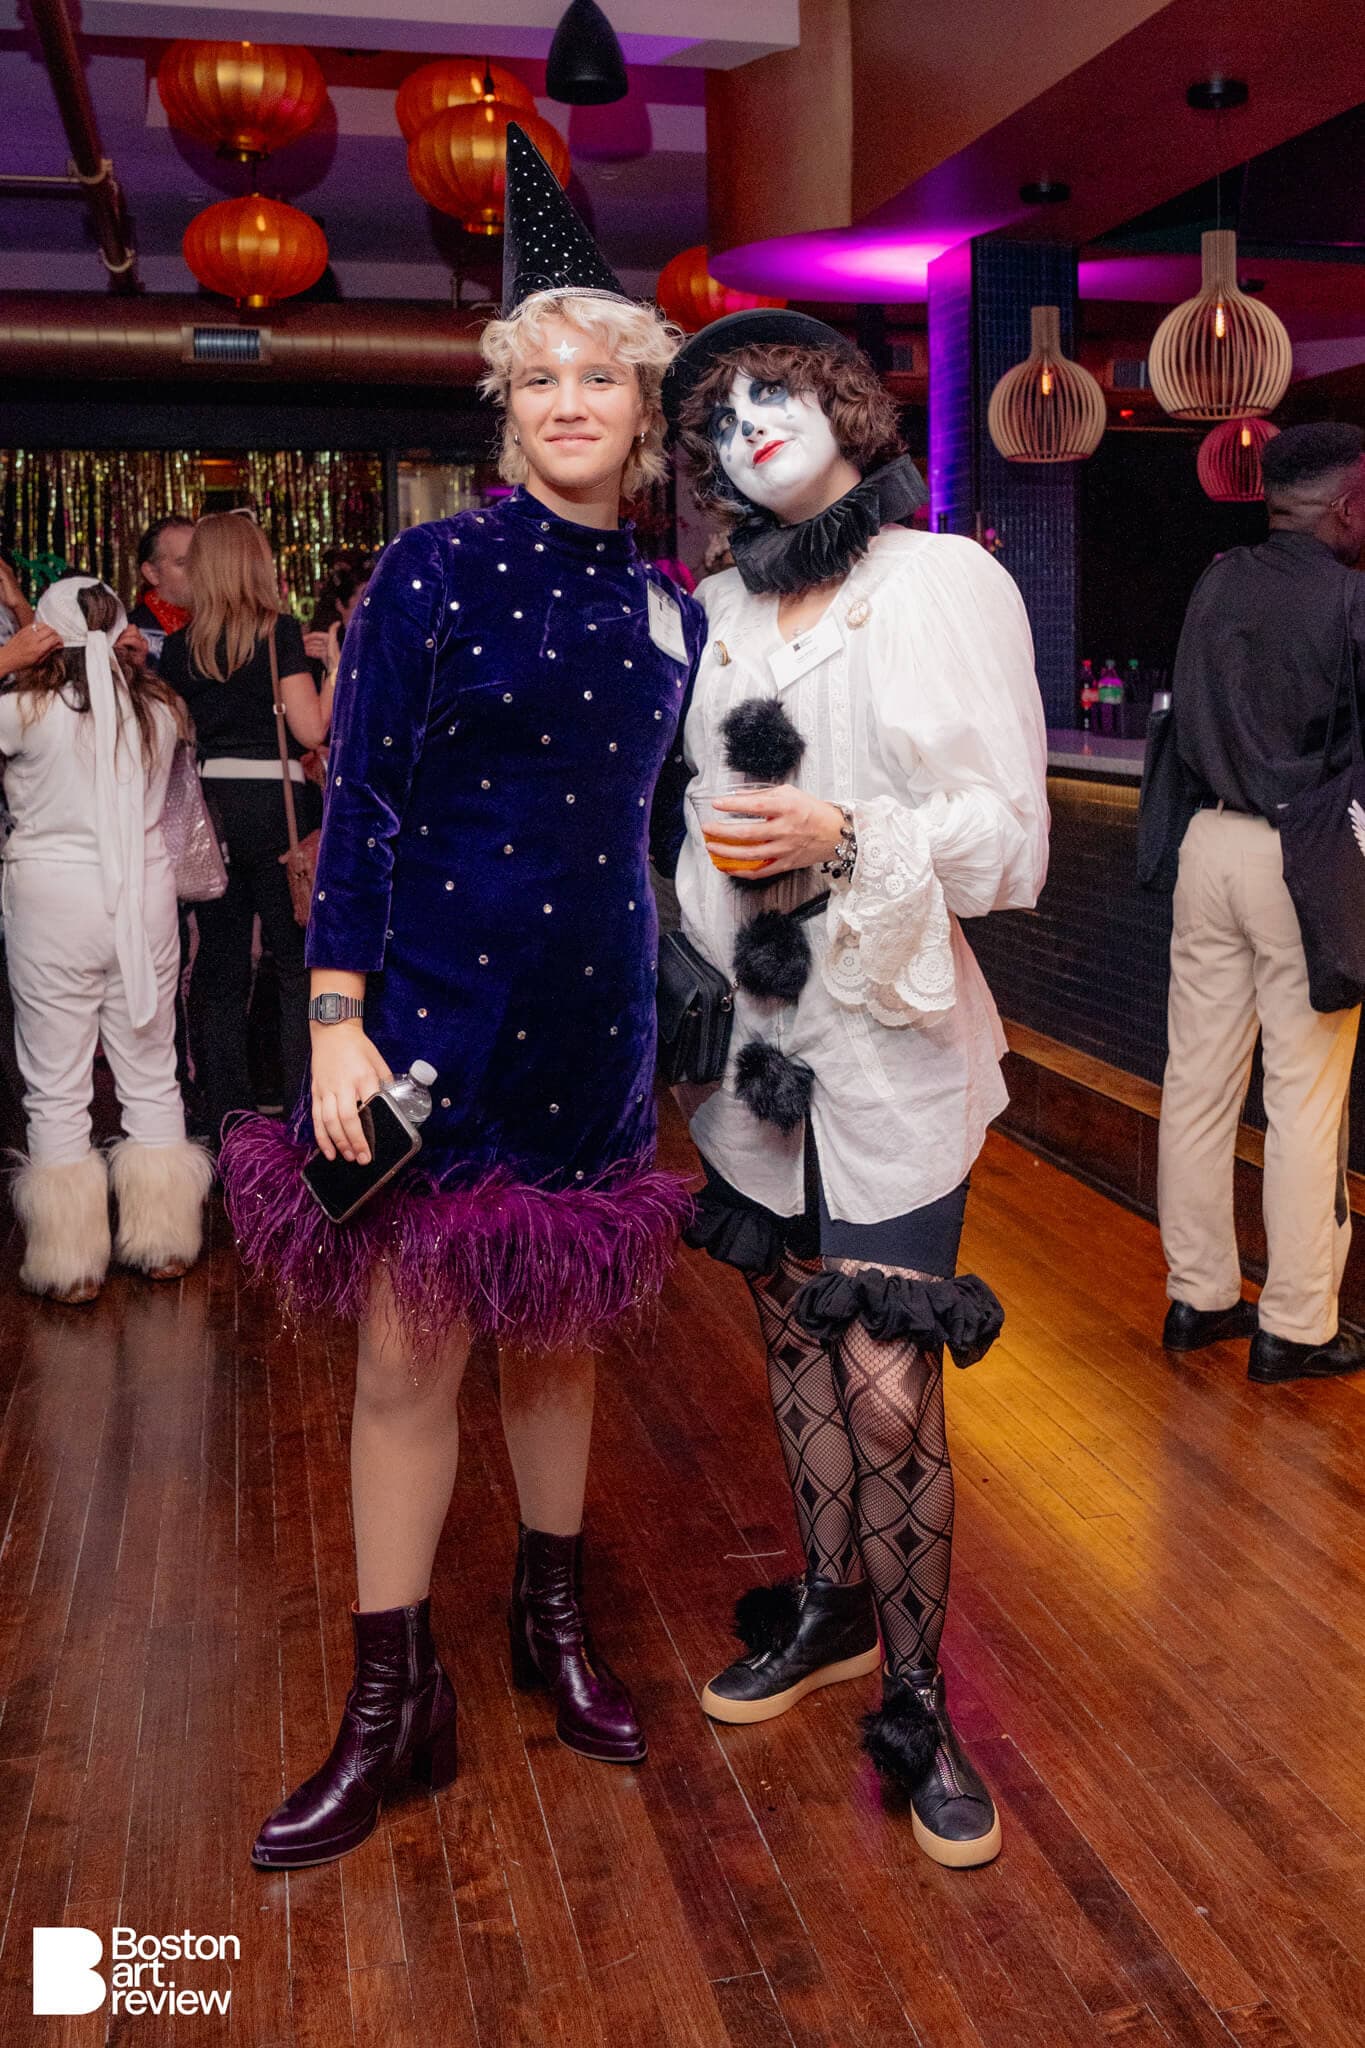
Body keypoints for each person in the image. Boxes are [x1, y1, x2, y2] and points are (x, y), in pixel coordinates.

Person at [220, 125, 703, 1872]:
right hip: (424, 1017)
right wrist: (333, 1015)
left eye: (601, 376)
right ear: (507, 410)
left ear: (641, 415)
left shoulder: (671, 611)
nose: (571, 401)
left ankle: (548, 1628)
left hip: (596, 1023)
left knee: (559, 1342)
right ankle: (389, 1701)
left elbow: (667, 822)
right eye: (541, 376)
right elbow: (361, 802)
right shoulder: (431, 571)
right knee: (409, 1350)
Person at [661, 309, 1049, 1869]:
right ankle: (827, 1607)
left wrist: (846, 836)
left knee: (888, 1386)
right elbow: (692, 817)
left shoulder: (937, 582)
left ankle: (918, 1702)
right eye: (719, 415)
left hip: (891, 1035)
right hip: (759, 1042)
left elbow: (1009, 843)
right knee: (790, 1337)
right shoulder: (716, 607)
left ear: (846, 407)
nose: (747, 424)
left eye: (776, 393)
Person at [1157, 421, 1365, 1385]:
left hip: (1208, 847)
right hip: (1302, 860)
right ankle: (1296, 1325)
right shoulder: (1351, 600)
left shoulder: (1215, 582)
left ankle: (1198, 1298)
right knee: (1303, 1100)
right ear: (1345, 506)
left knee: (1197, 1087)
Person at [0, 576, 213, 1302]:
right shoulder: (159, 709)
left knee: (56, 1081)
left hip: (52, 904)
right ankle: (164, 1242)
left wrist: (7, 659)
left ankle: (71, 1265)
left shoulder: (22, 710)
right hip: (144, 903)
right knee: (151, 1068)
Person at [159, 513, 334, 1145]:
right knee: (294, 969)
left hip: (213, 814)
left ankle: (229, 1122)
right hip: (280, 810)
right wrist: (335, 669)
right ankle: (301, 1120)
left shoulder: (180, 647)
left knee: (221, 970)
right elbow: (312, 731)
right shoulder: (279, 631)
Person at [128, 514, 196, 668]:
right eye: (183, 563)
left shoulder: (220, 625)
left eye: (201, 560)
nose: (197, 569)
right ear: (152, 573)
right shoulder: (131, 635)